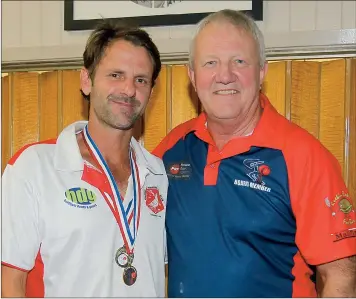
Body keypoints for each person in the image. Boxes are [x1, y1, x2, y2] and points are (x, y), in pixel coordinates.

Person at [153, 9, 356, 298]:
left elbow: (340, 275)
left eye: (239, 61)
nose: (224, 76)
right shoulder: (171, 149)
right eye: (211, 62)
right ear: (193, 76)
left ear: (261, 71)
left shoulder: (303, 156)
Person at [2, 20, 168, 298]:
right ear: (86, 80)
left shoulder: (158, 174)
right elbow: (9, 282)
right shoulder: (34, 168)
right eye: (115, 75)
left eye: (141, 80)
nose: (129, 90)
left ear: (150, 92)